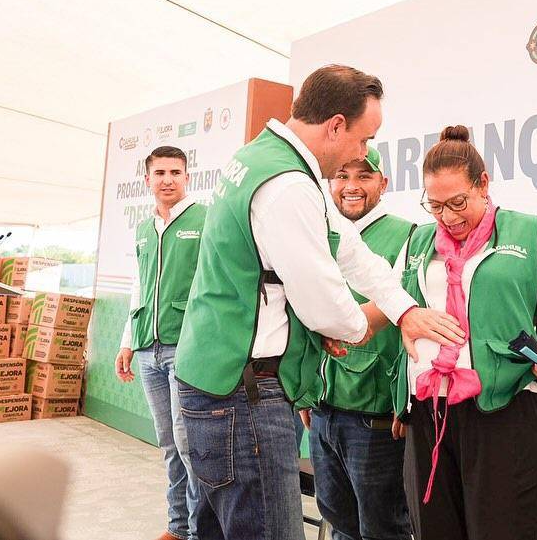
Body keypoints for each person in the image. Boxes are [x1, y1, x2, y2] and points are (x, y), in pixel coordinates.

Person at [173, 65, 465, 540]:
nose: (362, 152)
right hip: (242, 396)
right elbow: (325, 307)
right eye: (364, 139)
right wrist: (357, 324)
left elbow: (347, 247)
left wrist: (405, 309)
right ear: (335, 125)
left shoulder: (267, 161)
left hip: (214, 382)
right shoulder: (287, 187)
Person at [392, 125, 537, 540]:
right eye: (435, 205)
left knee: (503, 528)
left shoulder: (528, 232)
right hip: (430, 411)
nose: (448, 217)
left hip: (505, 409)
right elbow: (389, 307)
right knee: (433, 529)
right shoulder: (418, 241)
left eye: (458, 202)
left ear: (483, 184)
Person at [299, 146, 414, 540]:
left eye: (364, 176)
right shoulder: (318, 232)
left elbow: (399, 303)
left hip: (374, 417)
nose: (351, 186)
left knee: (383, 528)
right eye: (342, 176)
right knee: (339, 523)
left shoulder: (408, 236)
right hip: (323, 409)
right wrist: (307, 388)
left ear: (383, 183)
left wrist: (404, 402)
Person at [115, 146, 204, 540]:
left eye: (175, 172)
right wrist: (128, 342)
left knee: (189, 445)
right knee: (169, 444)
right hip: (148, 350)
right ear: (147, 179)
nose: (168, 180)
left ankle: (201, 530)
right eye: (160, 173)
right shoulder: (143, 229)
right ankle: (178, 527)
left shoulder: (205, 219)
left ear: (187, 177)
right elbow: (140, 287)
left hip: (186, 347)